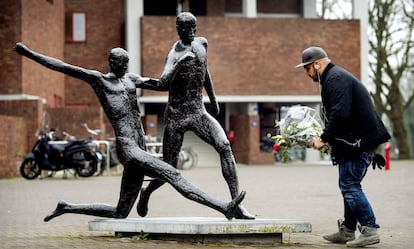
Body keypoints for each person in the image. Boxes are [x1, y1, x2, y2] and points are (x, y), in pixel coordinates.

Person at [14, 42, 247, 221]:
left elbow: (162, 84)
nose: (124, 67)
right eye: (120, 63)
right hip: (127, 147)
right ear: (112, 63)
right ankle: (223, 207)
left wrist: (181, 63)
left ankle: (66, 207)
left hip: (140, 146)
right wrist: (29, 54)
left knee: (120, 212)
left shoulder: (132, 79)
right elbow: (64, 66)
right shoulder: (100, 81)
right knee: (172, 173)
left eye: (127, 62)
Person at [137, 12, 254, 220]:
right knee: (169, 169)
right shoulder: (174, 54)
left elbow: (204, 70)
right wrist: (181, 62)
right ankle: (146, 192)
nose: (191, 33)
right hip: (177, 116)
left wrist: (214, 99)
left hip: (198, 111)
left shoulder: (202, 44)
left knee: (225, 146)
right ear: (178, 29)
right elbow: (162, 84)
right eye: (186, 29)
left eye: (194, 28)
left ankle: (236, 205)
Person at [296, 46, 391, 247]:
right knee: (347, 184)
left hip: (358, 143)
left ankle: (370, 229)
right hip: (355, 142)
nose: (306, 73)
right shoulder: (334, 77)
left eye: (307, 68)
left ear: (317, 64)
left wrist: (323, 138)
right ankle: (348, 230)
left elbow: (340, 113)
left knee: (349, 185)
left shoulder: (335, 79)